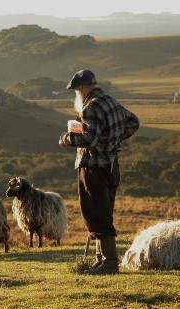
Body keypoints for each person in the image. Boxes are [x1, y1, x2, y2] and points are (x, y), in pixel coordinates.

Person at [59, 69, 139, 274]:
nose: (77, 93)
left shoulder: (90, 108)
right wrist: (113, 139)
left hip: (94, 166)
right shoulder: (110, 101)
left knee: (95, 213)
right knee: (104, 211)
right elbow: (133, 122)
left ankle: (110, 263)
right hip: (112, 165)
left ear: (85, 87)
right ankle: (101, 260)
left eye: (77, 89)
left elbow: (89, 140)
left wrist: (67, 139)